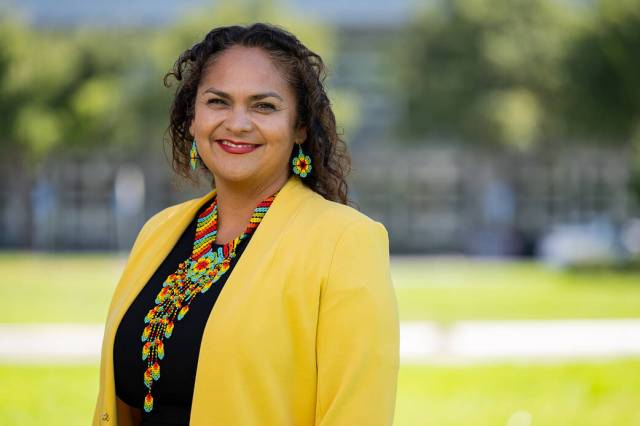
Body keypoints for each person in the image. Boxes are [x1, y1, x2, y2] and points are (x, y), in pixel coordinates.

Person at [93, 22, 399, 426]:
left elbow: (357, 414)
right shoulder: (159, 233)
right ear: (192, 117)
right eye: (218, 102)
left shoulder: (345, 241)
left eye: (264, 106)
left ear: (300, 127)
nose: (237, 123)